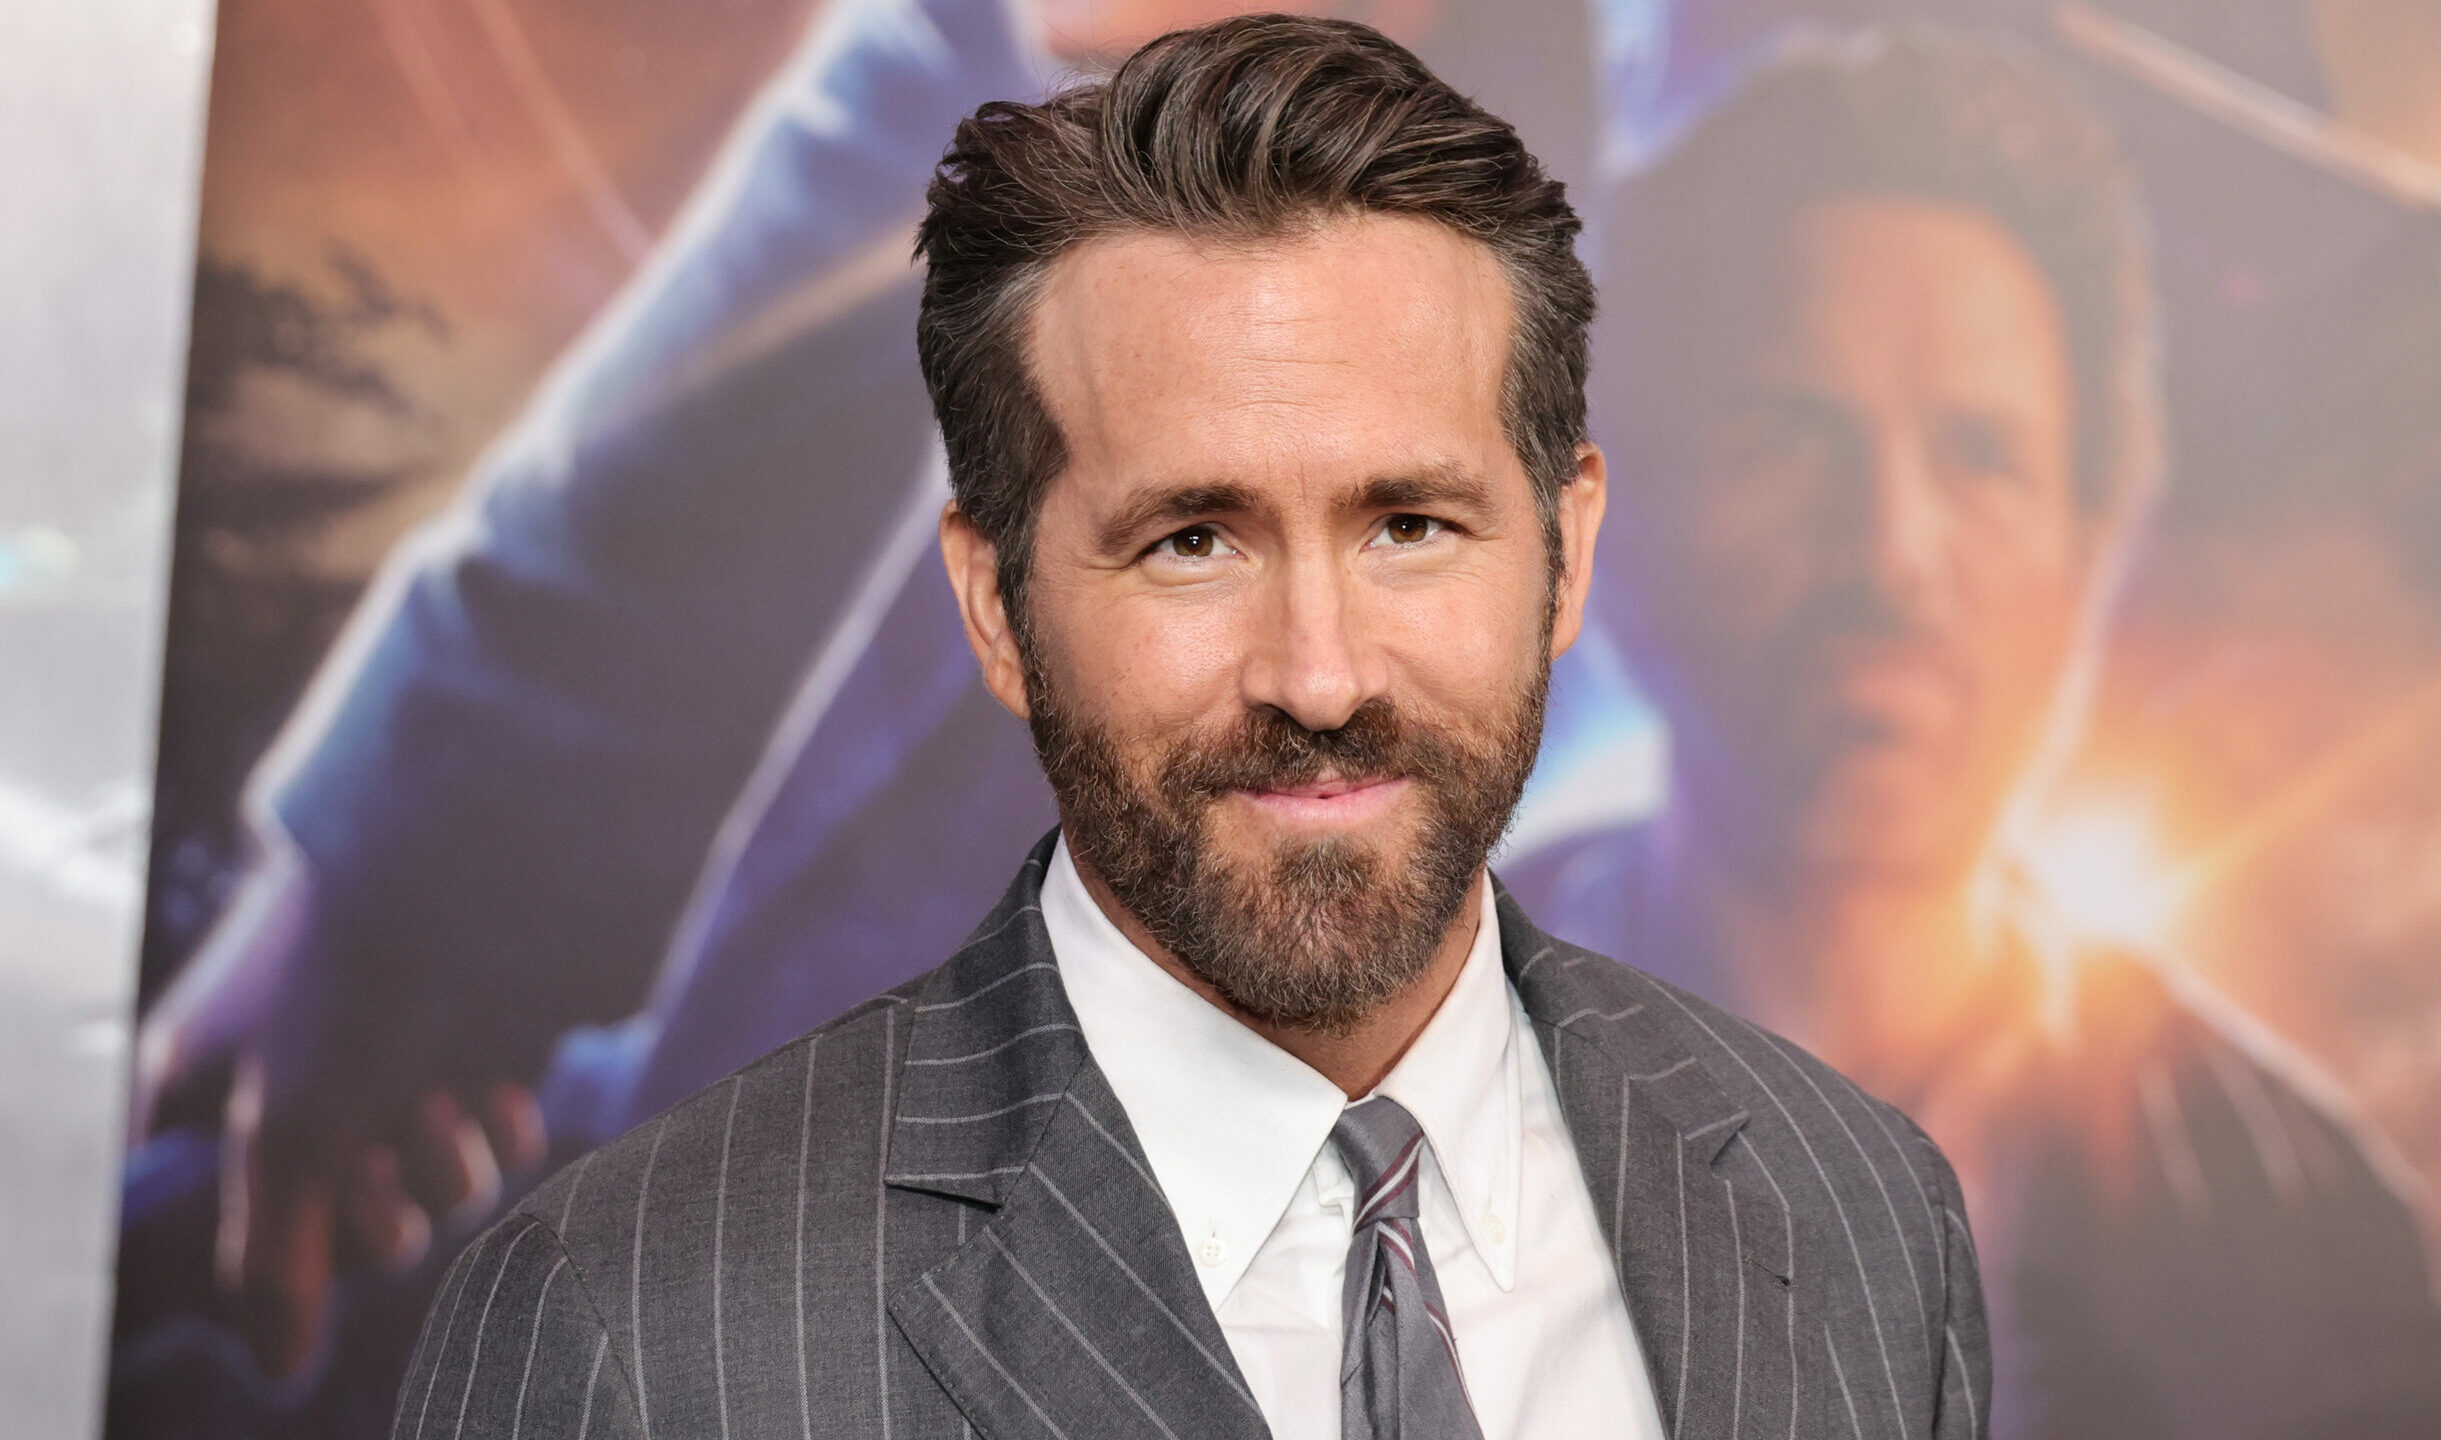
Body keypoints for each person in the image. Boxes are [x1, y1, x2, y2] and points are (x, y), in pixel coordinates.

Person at [393, 18, 1988, 1439]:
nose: (1319, 676)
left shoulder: (1858, 1210)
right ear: (997, 603)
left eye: (1411, 526)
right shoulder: (634, 1330)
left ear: (1566, 554)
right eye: (1193, 541)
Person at [1506, 27, 2441, 1439]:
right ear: (1611, 528)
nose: (1893, 554)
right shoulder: (1349, 1087)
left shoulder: (2308, 1233)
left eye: (1982, 454)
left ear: (2092, 548)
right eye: (1790, 436)